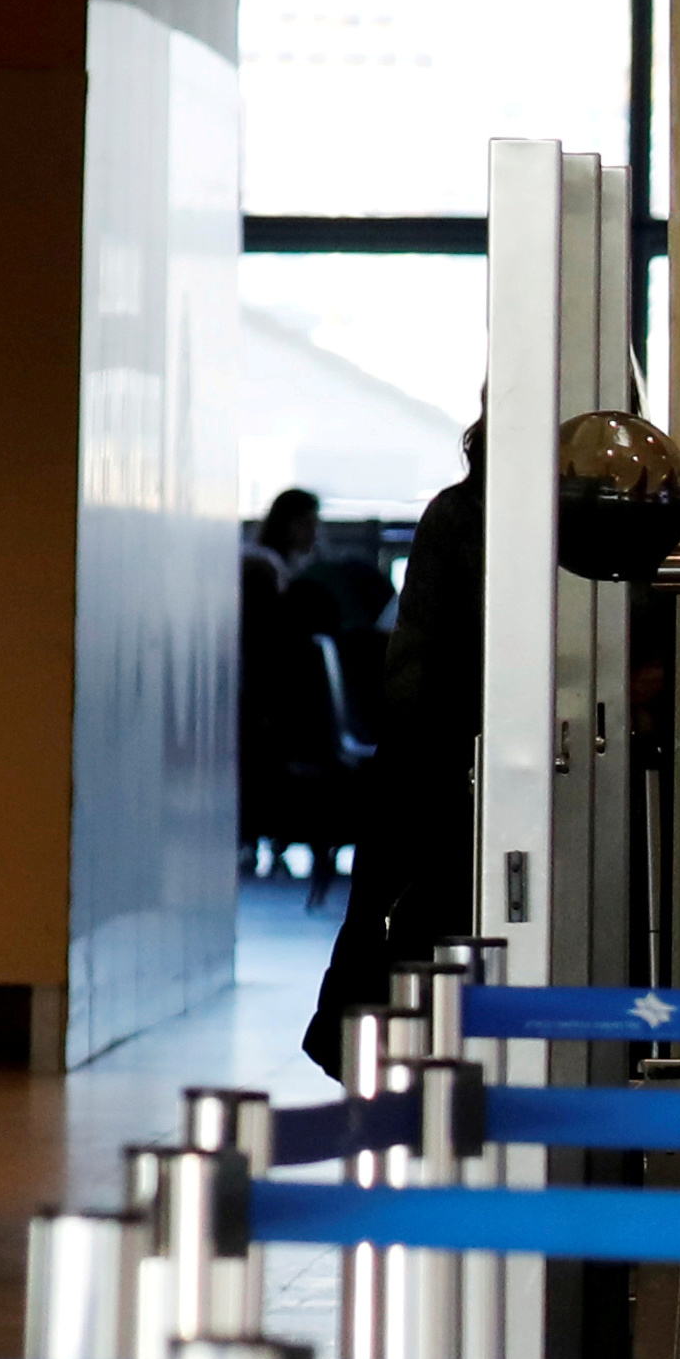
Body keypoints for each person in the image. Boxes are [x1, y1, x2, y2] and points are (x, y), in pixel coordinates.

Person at [304, 442, 487, 1076]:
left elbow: (409, 671)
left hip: (426, 766)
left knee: (410, 935)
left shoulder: (458, 515)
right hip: (449, 768)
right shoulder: (470, 520)